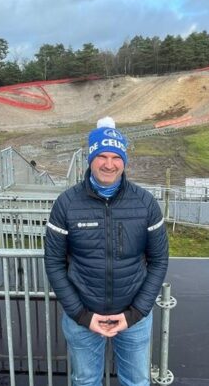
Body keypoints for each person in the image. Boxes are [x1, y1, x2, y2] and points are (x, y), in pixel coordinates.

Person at [44, 116, 169, 386]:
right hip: (83, 319)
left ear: (124, 160)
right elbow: (54, 264)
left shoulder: (146, 203)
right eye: (102, 156)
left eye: (116, 156)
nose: (109, 164)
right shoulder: (66, 204)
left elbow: (159, 262)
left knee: (136, 382)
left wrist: (135, 313)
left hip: (133, 318)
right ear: (91, 158)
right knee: (86, 382)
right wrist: (81, 315)